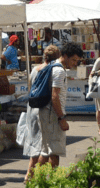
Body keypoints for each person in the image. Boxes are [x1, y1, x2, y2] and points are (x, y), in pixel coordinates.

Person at [33, 42, 83, 171]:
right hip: (52, 114)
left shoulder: (51, 65)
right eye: (73, 60)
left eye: (77, 61)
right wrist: (61, 118)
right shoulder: (59, 71)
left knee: (45, 149)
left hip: (46, 112)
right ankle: (50, 181)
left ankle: (37, 181)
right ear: (65, 56)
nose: (75, 63)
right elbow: (55, 96)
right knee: (54, 150)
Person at [23, 44, 61, 184]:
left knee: (36, 145)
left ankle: (29, 175)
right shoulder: (53, 70)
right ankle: (47, 178)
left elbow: (30, 88)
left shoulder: (34, 70)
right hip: (45, 110)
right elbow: (54, 94)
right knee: (48, 147)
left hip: (32, 109)